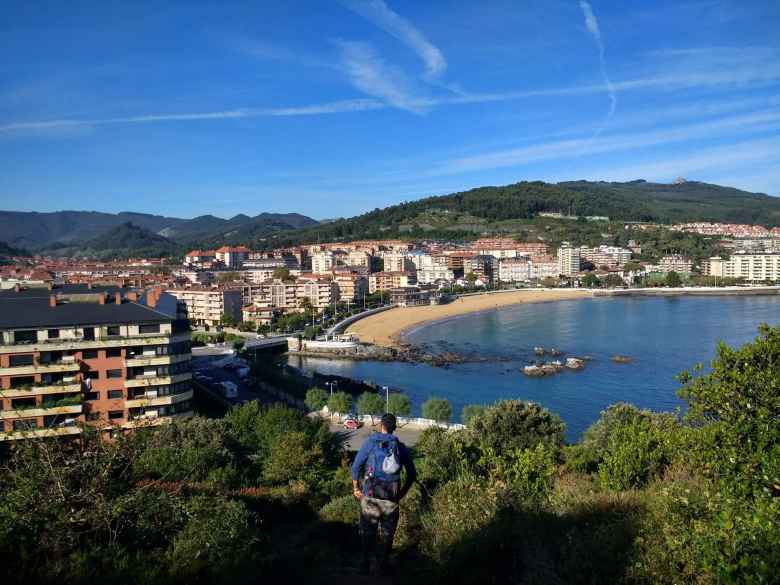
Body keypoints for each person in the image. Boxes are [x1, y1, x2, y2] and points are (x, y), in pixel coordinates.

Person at [351, 412, 416, 575]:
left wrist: (356, 488)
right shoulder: (400, 447)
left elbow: (356, 466)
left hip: (370, 497)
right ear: (394, 429)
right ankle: (382, 566)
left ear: (381, 426)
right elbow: (412, 474)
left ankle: (364, 564)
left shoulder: (370, 443)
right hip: (391, 500)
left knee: (367, 532)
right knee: (387, 535)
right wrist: (402, 493)